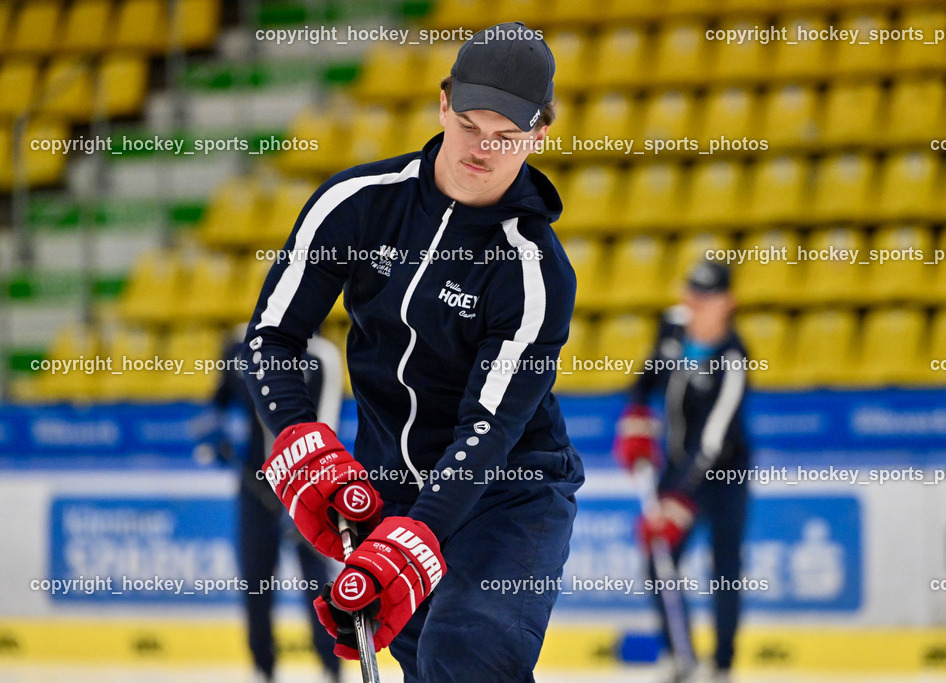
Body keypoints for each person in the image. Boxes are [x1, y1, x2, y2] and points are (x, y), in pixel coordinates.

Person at [240, 22, 584, 682]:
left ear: (540, 135)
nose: (483, 147)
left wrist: (416, 534)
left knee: (465, 651)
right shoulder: (356, 204)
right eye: (470, 123)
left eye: (507, 135)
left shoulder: (534, 270)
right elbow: (272, 338)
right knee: (429, 665)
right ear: (442, 102)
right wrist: (299, 435)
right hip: (388, 487)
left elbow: (488, 429)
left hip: (508, 494)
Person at [614, 260, 751, 683]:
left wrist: (678, 499)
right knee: (659, 558)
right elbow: (646, 379)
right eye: (691, 292)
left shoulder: (733, 358)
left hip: (722, 474)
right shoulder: (672, 326)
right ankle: (679, 655)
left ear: (727, 303)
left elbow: (712, 441)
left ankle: (722, 664)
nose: (695, 303)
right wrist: (637, 419)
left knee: (724, 566)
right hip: (676, 463)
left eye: (706, 296)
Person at [199, 331, 343, 683]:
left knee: (317, 581)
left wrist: (308, 491)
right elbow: (215, 405)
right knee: (256, 578)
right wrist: (214, 438)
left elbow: (324, 426)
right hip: (254, 486)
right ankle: (263, 669)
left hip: (307, 487)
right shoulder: (238, 347)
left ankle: (331, 668)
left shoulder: (322, 355)